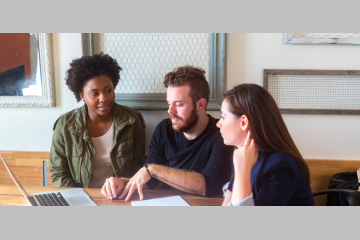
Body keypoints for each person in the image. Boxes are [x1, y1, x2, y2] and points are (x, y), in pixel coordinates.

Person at [101, 66, 234, 201]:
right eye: (169, 103)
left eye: (179, 104)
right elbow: (150, 180)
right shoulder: (164, 129)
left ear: (201, 104)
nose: (170, 111)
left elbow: (210, 185)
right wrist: (122, 183)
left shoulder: (222, 133)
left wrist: (153, 170)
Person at [49, 53, 146, 188]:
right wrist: (79, 198)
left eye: (108, 90)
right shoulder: (65, 125)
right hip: (82, 197)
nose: (104, 98)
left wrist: (122, 191)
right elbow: (59, 173)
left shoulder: (132, 120)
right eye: (95, 93)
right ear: (82, 95)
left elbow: (137, 168)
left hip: (122, 195)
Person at [217, 84, 314, 206]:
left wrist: (242, 170)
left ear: (243, 122)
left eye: (223, 117)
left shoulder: (280, 166)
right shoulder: (242, 152)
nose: (218, 124)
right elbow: (229, 199)